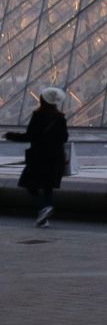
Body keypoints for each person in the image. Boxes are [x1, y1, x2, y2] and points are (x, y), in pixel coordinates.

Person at [5, 86, 69, 227]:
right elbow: (64, 138)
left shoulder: (38, 116)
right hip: (55, 158)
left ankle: (43, 208)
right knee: (48, 187)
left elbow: (30, 136)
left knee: (28, 183)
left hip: (40, 157)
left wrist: (10, 135)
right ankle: (44, 219)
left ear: (41, 100)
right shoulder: (60, 118)